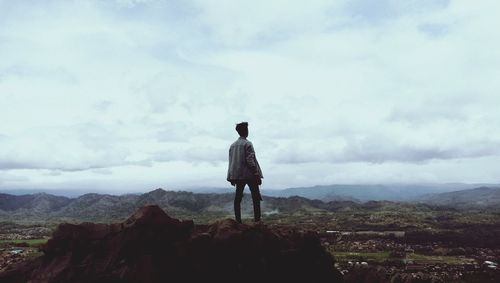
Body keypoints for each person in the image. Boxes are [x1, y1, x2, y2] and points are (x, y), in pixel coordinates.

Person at [227, 122, 263, 223]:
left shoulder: (232, 145)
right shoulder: (248, 144)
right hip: (249, 175)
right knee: (255, 197)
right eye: (247, 129)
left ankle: (238, 221)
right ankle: (257, 221)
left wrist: (230, 176)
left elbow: (231, 162)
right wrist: (256, 174)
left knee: (238, 198)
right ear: (246, 131)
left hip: (238, 176)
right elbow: (250, 160)